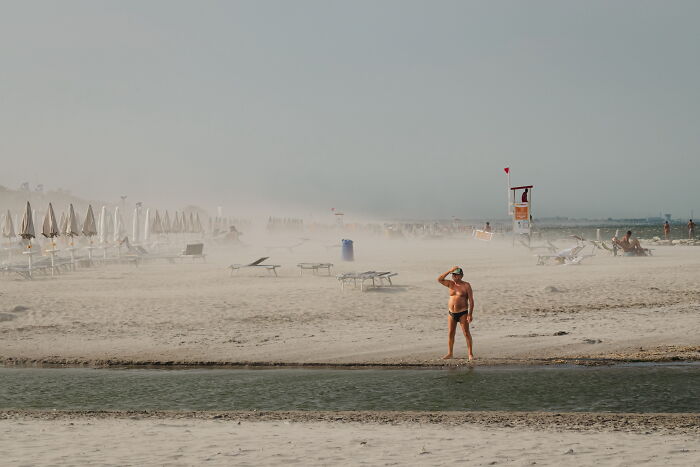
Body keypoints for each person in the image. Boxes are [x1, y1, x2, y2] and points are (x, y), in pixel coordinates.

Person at [437, 266, 474, 361]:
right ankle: (450, 353)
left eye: (456, 275)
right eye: (453, 275)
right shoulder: (450, 284)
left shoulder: (466, 285)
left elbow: (471, 300)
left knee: (466, 333)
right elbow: (439, 279)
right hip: (451, 313)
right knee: (450, 333)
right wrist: (449, 270)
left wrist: (470, 314)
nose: (454, 276)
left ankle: (470, 354)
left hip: (463, 313)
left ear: (461, 276)